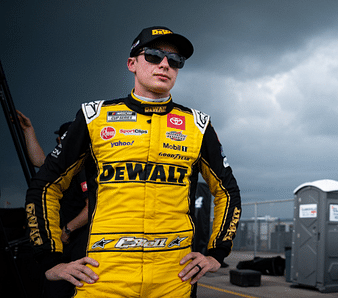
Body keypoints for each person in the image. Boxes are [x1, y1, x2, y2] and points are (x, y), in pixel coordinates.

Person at [25, 26, 242, 298]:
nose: (165, 65)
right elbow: (45, 185)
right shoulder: (94, 117)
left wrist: (216, 253)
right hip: (101, 278)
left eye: (175, 61)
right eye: (153, 56)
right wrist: (50, 259)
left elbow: (227, 191)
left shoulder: (198, 125)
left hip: (174, 278)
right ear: (132, 63)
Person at [17, 112, 90, 297]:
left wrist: (67, 230)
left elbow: (92, 207)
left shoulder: (82, 167)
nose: (59, 142)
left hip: (76, 244)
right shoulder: (59, 168)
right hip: (59, 245)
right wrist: (28, 130)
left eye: (62, 139)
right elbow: (39, 161)